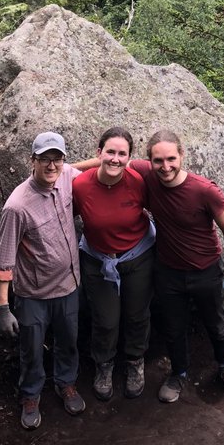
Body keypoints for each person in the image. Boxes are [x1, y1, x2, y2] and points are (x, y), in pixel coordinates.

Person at [130, 128, 224, 403]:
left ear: (182, 155)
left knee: (215, 322)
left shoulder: (204, 190)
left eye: (171, 158)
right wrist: (67, 169)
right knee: (173, 326)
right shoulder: (148, 175)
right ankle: (179, 373)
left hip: (206, 270)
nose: (165, 166)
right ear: (149, 161)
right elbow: (112, 161)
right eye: (158, 160)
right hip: (168, 272)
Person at [0, 131, 85, 430]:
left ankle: (66, 383)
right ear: (32, 160)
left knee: (68, 341)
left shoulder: (67, 176)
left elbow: (85, 167)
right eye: (45, 159)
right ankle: (30, 395)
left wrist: (114, 161)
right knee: (31, 349)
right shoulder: (17, 206)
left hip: (69, 286)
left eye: (57, 158)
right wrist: (2, 308)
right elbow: (3, 260)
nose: (51, 165)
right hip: (34, 295)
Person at [72, 126, 155, 402]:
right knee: (105, 319)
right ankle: (104, 364)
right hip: (98, 260)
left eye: (122, 154)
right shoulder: (80, 186)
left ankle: (134, 361)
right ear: (99, 153)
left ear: (129, 158)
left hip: (137, 256)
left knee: (137, 315)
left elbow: (169, 188)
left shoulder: (138, 180)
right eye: (110, 152)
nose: (115, 159)